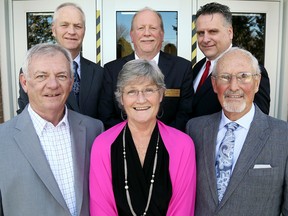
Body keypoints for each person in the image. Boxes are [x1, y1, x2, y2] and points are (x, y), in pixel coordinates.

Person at [0, 43, 104, 215]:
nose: (53, 84)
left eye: (62, 76)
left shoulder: (94, 130)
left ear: (71, 82)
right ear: (25, 82)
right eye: (42, 76)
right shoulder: (2, 140)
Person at [186, 47, 288, 215]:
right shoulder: (195, 129)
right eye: (225, 77)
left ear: (257, 83)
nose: (233, 87)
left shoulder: (283, 135)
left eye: (243, 76)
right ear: (214, 84)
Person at [90, 59, 196, 215]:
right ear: (121, 98)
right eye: (131, 91)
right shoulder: (103, 145)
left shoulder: (182, 145)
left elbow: (182, 208)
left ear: (161, 95)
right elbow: (101, 208)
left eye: (149, 90)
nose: (141, 99)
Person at [98, 7, 194, 131]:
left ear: (162, 35)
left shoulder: (182, 68)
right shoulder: (112, 70)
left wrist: (161, 139)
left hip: (169, 145)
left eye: (153, 28)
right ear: (132, 35)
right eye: (141, 28)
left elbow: (185, 114)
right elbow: (106, 115)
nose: (147, 33)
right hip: (124, 144)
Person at [17, 2, 103, 119]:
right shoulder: (31, 70)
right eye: (64, 25)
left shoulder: (99, 72)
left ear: (84, 31)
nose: (72, 31)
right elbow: (26, 114)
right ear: (53, 30)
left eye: (78, 26)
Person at [191, 2, 270, 118]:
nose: (205, 39)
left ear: (230, 32)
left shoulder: (250, 70)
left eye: (213, 31)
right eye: (200, 33)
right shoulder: (198, 67)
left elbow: (257, 122)